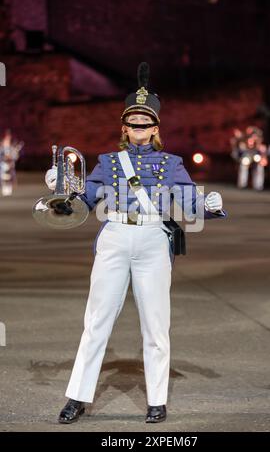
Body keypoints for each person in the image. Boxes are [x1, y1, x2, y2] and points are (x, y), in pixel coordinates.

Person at [44, 62, 226, 424]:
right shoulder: (108, 162)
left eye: (145, 122)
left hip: (152, 239)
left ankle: (157, 399)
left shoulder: (171, 163)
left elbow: (190, 200)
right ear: (124, 127)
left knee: (156, 324)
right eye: (133, 122)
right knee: (96, 321)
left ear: (155, 128)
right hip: (114, 236)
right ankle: (78, 396)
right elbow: (85, 201)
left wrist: (208, 206)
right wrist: (61, 188)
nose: (139, 128)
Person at [0, 129, 24, 196]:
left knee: (11, 176)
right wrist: (4, 158)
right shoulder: (1, 148)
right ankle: (3, 188)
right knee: (2, 176)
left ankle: (10, 189)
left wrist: (11, 157)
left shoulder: (12, 148)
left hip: (10, 165)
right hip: (2, 165)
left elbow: (15, 156)